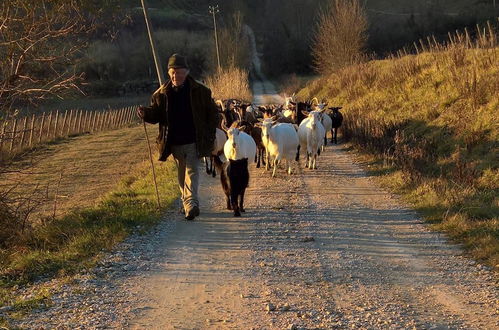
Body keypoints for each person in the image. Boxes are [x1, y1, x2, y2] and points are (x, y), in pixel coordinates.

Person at [137, 54, 219, 220]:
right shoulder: (161, 94)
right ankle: (186, 202)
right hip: (174, 142)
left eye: (180, 72)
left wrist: (209, 133)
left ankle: (191, 204)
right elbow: (156, 116)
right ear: (169, 73)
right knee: (182, 174)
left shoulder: (201, 91)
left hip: (194, 140)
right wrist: (146, 113)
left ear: (187, 72)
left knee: (193, 170)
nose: (176, 76)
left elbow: (213, 114)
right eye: (173, 72)